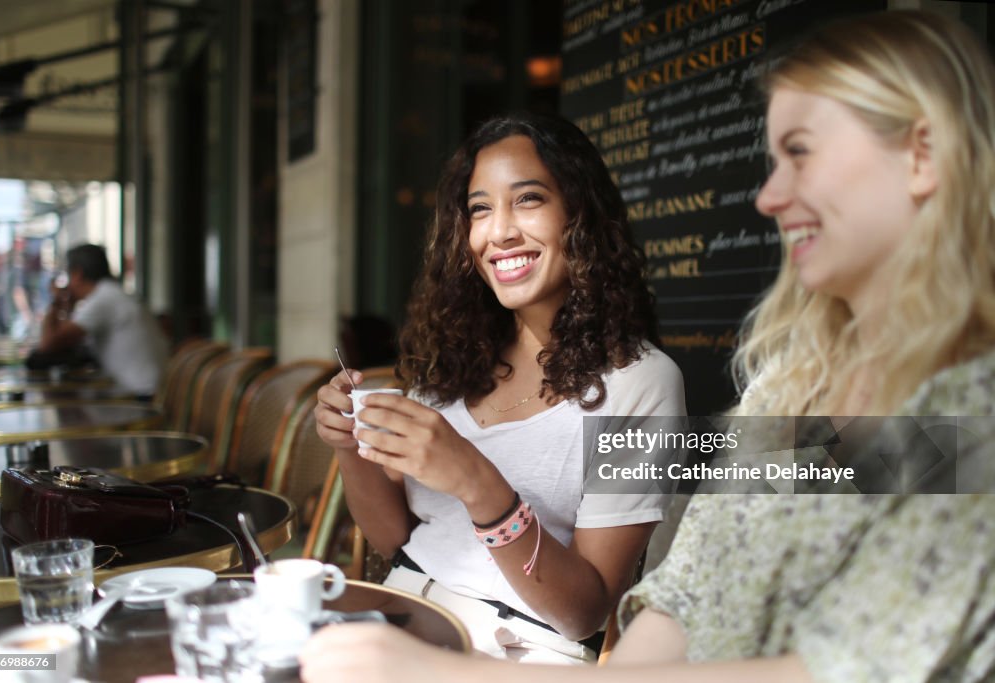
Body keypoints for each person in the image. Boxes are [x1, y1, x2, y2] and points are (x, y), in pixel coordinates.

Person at [299, 10, 995, 683]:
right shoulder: (789, 383)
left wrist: (454, 667)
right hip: (411, 615)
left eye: (801, 153)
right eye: (479, 209)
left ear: (923, 155)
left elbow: (848, 666)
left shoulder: (966, 414)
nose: (768, 196)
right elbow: (682, 595)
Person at [313, 112, 686, 662]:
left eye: (529, 199)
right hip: (399, 617)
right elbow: (398, 540)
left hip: (521, 651)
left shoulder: (640, 382)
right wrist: (350, 446)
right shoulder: (455, 357)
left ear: (580, 214)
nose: (500, 231)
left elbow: (584, 611)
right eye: (480, 208)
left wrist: (479, 485)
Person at [36, 243, 168, 399]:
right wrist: (66, 306)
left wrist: (56, 302)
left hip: (143, 397)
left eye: (68, 276)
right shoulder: (110, 293)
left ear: (78, 274)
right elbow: (64, 338)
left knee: (68, 407)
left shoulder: (103, 300)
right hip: (147, 392)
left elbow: (47, 345)